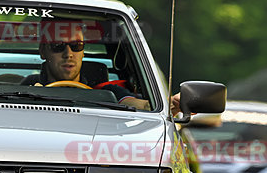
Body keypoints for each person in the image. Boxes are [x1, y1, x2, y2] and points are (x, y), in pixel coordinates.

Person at [21, 21, 182, 114]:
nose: (68, 53)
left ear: (83, 51)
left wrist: (173, 103)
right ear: (43, 51)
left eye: (76, 45)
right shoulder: (22, 89)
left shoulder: (110, 92)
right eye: (58, 45)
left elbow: (145, 107)